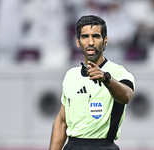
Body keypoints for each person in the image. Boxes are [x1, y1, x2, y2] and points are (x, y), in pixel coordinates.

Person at [49, 15, 135, 150]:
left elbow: (126, 96)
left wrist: (107, 79)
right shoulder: (71, 75)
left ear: (105, 41)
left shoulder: (118, 72)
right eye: (85, 37)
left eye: (96, 36)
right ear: (78, 42)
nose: (90, 42)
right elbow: (62, 121)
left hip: (103, 146)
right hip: (73, 146)